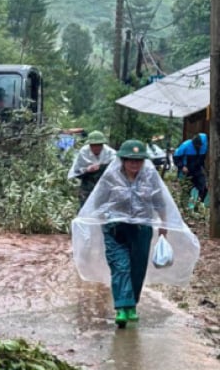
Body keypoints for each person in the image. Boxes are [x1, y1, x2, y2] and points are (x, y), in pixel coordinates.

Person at [71, 139, 201, 329]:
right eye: (130, 160)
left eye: (139, 160)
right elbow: (97, 202)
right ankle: (122, 308)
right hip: (115, 229)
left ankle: (132, 304)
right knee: (120, 266)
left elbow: (159, 202)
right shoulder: (111, 177)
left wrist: (164, 225)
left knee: (137, 267)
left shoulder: (150, 176)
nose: (134, 164)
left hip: (141, 229)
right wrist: (102, 218)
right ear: (122, 160)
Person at [67, 131, 116, 208]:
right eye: (93, 145)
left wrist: (101, 167)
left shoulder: (110, 153)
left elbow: (116, 168)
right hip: (88, 183)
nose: (96, 148)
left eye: (99, 145)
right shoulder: (83, 152)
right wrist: (87, 170)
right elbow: (77, 171)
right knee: (85, 206)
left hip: (105, 183)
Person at [173, 132, 208, 203]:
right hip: (186, 170)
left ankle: (200, 204)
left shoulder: (204, 147)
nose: (197, 146)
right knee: (187, 188)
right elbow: (176, 158)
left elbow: (202, 161)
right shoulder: (186, 145)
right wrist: (182, 166)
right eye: (196, 145)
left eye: (199, 145)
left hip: (197, 170)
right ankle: (186, 205)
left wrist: (204, 171)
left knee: (203, 186)